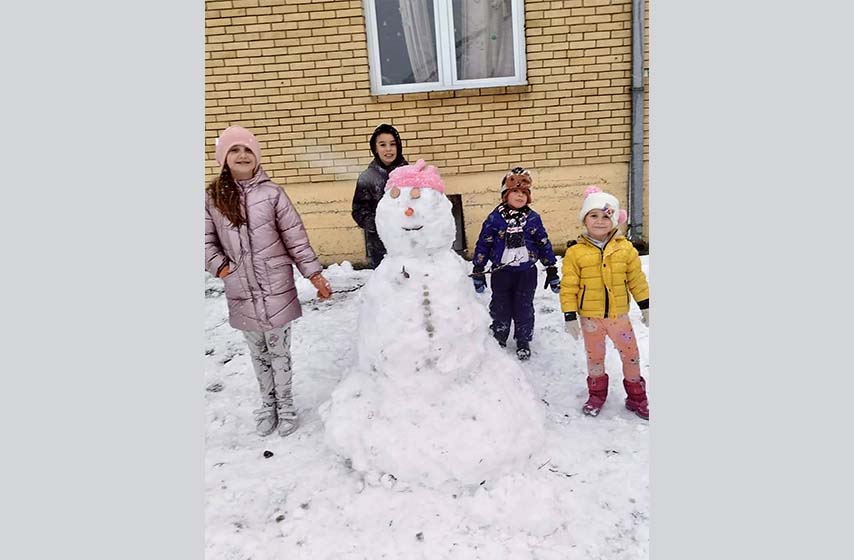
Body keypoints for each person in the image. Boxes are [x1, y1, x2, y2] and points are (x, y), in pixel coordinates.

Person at [205, 125, 333, 437]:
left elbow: (295, 238)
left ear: (257, 156)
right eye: (235, 150)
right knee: (258, 353)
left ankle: (286, 406)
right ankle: (268, 405)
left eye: (248, 149)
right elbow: (204, 241)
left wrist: (314, 275)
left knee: (279, 351)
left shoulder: (273, 194)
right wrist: (221, 267)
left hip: (276, 287)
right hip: (241, 290)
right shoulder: (213, 198)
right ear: (223, 158)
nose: (242, 155)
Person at [560, 186, 650, 420]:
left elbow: (636, 279)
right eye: (594, 215)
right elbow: (569, 286)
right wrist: (569, 315)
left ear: (614, 220)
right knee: (595, 358)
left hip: (619, 317)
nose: (600, 221)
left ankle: (637, 397)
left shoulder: (625, 249)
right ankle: (597, 396)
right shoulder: (575, 253)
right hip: (590, 318)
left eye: (606, 216)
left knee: (631, 355)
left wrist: (646, 305)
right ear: (584, 219)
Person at [471, 167, 560, 361]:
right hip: (501, 271)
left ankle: (523, 339)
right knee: (500, 305)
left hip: (526, 272)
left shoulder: (533, 219)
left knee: (524, 306)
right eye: (515, 192)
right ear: (506, 195)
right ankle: (499, 336)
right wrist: (478, 268)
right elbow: (484, 243)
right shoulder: (494, 219)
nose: (520, 196)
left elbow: (543, 243)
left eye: (524, 193)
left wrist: (551, 269)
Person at [351, 123, 409, 268]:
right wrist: (380, 225)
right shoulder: (367, 178)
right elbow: (359, 211)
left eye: (392, 144)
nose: (388, 149)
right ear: (375, 148)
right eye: (383, 145)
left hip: (409, 246)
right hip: (380, 249)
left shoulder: (410, 174)